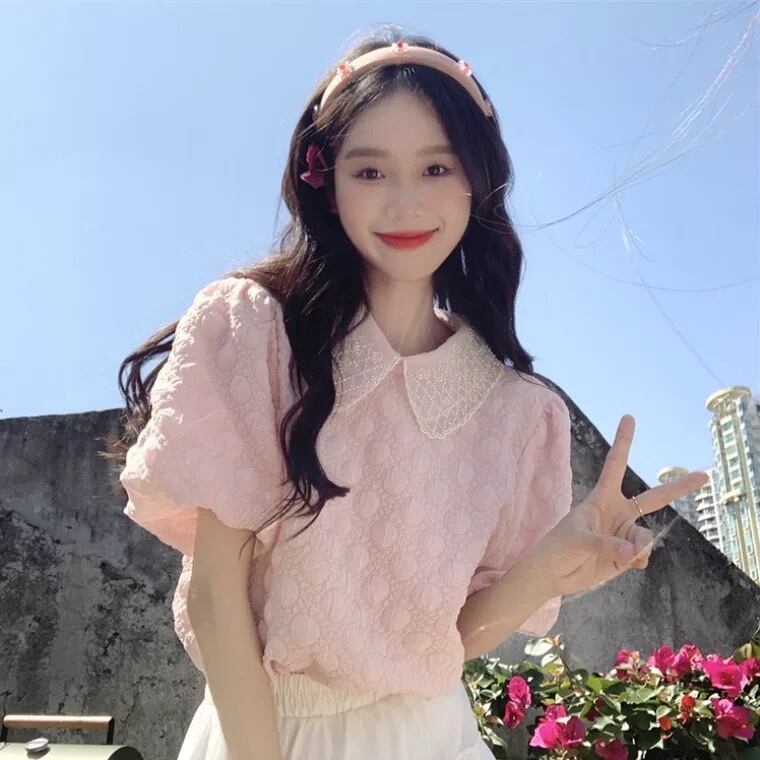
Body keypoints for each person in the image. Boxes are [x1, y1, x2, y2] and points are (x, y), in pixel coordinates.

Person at [113, 27, 708, 760]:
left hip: (436, 737)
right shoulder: (256, 329)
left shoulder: (518, 411)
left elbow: (443, 645)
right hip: (265, 735)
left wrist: (545, 569)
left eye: (435, 167)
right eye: (369, 171)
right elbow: (215, 596)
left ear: (476, 181)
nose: (404, 201)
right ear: (325, 181)